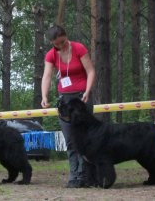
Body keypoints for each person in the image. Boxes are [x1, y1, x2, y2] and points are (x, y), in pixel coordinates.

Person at [39, 25, 96, 188]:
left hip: (82, 99)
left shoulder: (79, 48)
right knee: (70, 140)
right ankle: (74, 175)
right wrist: (44, 96)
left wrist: (87, 90)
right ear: (52, 43)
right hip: (65, 101)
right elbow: (47, 76)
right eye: (57, 44)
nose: (61, 46)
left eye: (63, 42)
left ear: (66, 36)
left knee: (85, 139)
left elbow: (91, 71)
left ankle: (86, 176)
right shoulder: (51, 55)